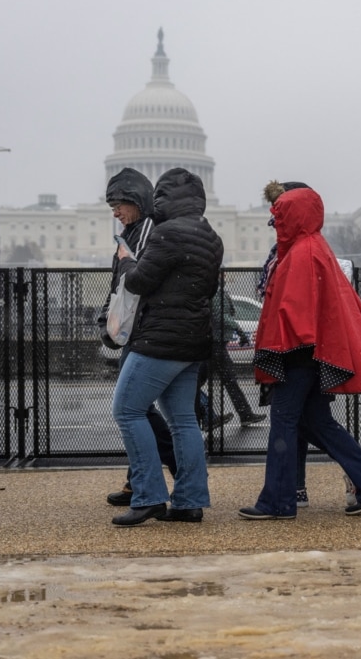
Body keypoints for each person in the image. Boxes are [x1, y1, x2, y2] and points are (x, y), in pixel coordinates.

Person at [239, 186, 361, 519]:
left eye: (280, 215)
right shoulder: (313, 248)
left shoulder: (300, 252)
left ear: (294, 216)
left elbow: (293, 313)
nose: (275, 221)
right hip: (311, 353)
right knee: (316, 422)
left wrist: (280, 353)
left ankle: (277, 501)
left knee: (284, 423)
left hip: (298, 354)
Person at [109, 167, 224, 525]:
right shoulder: (211, 237)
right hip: (194, 340)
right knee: (184, 421)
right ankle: (189, 501)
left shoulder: (166, 234)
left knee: (127, 410)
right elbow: (206, 291)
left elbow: (140, 282)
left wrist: (128, 262)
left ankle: (148, 497)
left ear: (164, 199)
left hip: (160, 339)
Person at [95, 167, 177, 507]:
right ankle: (140, 478)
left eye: (119, 204)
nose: (114, 212)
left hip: (143, 332)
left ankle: (169, 469)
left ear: (137, 202)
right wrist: (106, 316)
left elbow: (134, 284)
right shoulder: (131, 232)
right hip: (138, 331)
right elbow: (120, 286)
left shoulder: (145, 233)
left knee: (134, 409)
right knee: (139, 409)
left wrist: (111, 319)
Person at [198, 290, 267, 427]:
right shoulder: (216, 291)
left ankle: (211, 416)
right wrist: (239, 330)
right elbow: (221, 316)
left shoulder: (214, 290)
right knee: (229, 381)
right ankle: (240, 414)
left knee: (197, 382)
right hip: (216, 343)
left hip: (213, 342)